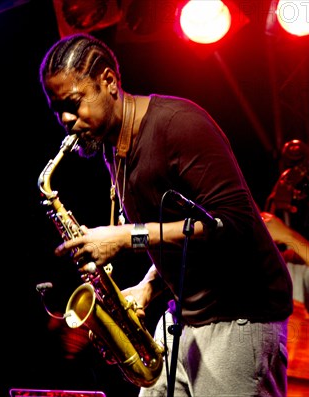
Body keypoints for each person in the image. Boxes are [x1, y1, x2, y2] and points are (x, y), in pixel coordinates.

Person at [39, 33, 293, 397]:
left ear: (109, 82)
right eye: (56, 109)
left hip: (240, 319)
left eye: (73, 103)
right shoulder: (114, 150)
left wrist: (126, 237)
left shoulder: (178, 124)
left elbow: (234, 224)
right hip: (184, 319)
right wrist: (148, 288)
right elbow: (184, 228)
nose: (65, 119)